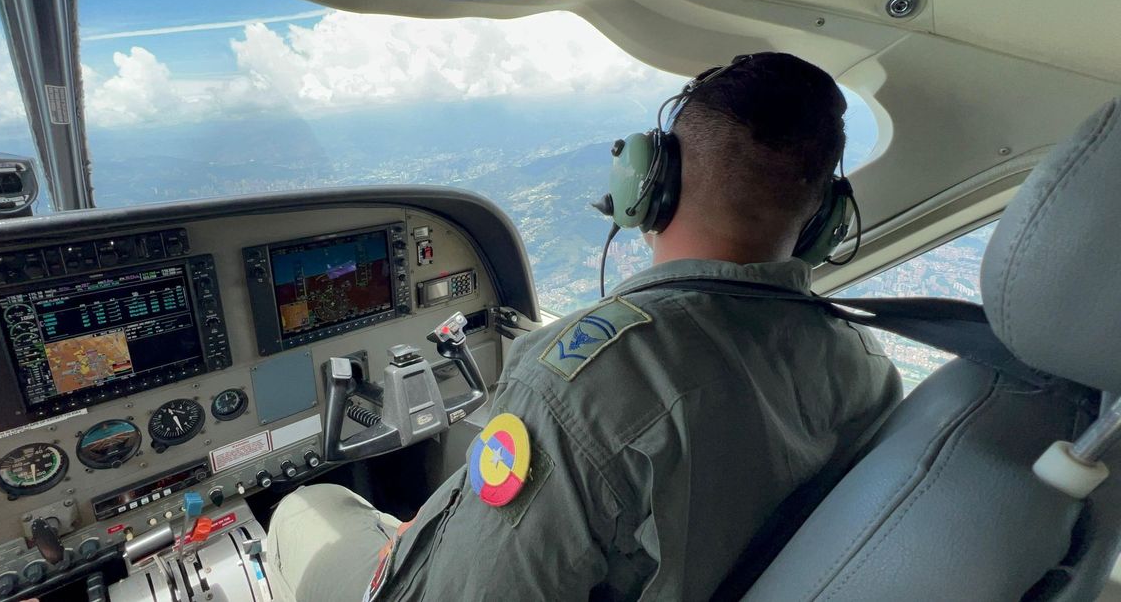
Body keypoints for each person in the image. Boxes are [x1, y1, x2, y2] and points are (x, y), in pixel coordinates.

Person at [264, 52, 902, 601]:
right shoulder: (866, 365)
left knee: (308, 507)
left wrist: (431, 549)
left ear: (650, 185)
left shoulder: (575, 386)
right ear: (825, 221)